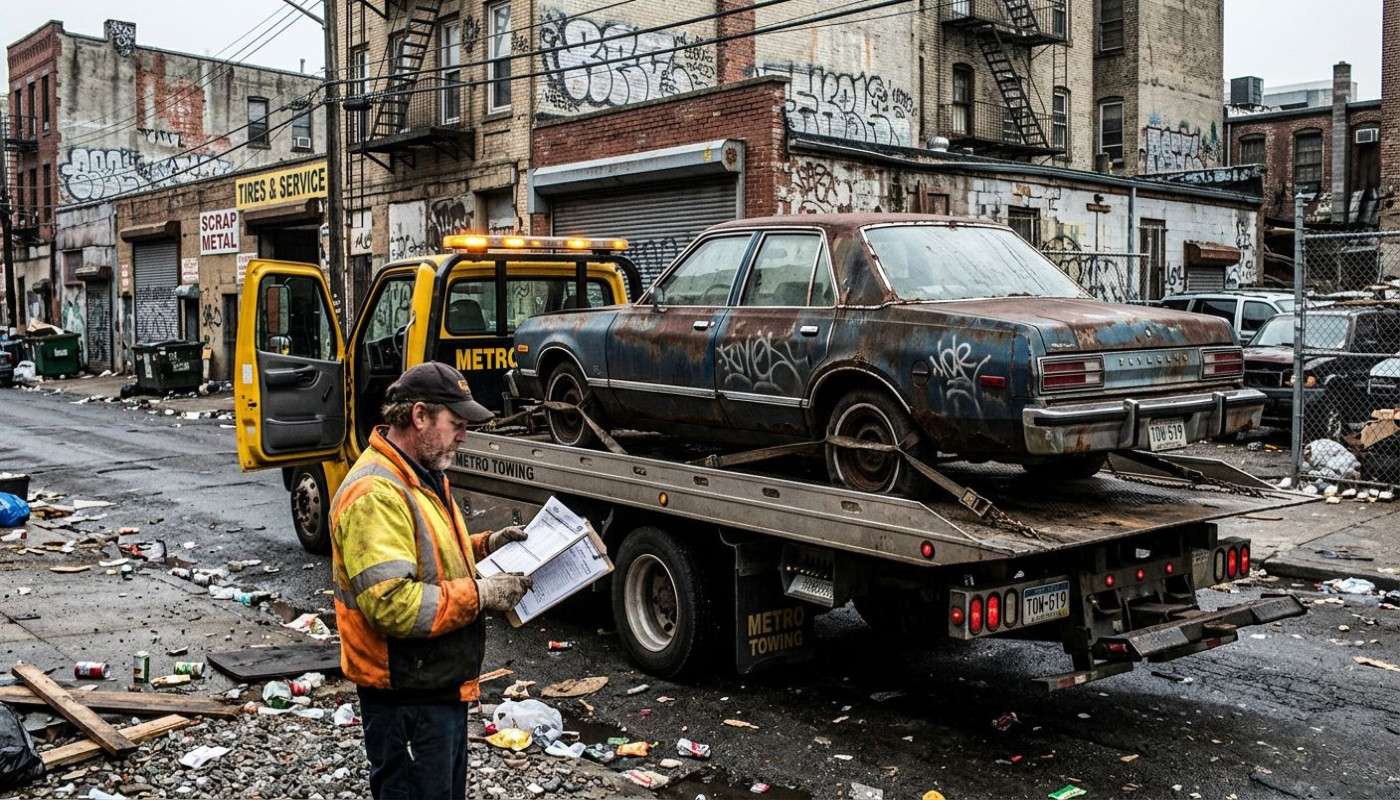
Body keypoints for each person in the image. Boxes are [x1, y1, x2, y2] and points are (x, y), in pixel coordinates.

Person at [329, 361, 533, 800]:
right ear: (419, 416)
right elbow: (393, 604)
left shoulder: (420, 475)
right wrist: (483, 594)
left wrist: (485, 545)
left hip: (434, 687)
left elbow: (428, 557)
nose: (463, 436)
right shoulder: (375, 495)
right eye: (455, 424)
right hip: (406, 698)